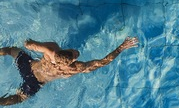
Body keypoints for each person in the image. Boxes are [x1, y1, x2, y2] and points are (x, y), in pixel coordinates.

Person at [1, 37, 138, 105]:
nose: (75, 52)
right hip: (35, 82)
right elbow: (103, 62)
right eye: (74, 54)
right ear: (72, 61)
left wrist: (29, 43)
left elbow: (30, 45)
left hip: (29, 67)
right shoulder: (74, 69)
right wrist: (121, 48)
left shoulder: (50, 50)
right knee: (19, 98)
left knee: (9, 50)